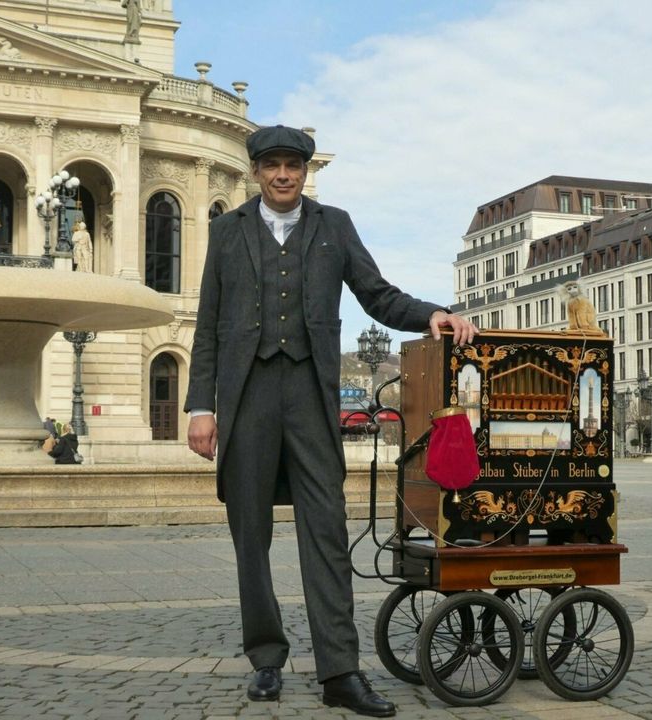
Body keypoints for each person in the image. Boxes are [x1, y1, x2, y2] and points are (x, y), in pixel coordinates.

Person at [185, 125, 477, 717]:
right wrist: (200, 406)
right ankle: (266, 658)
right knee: (251, 537)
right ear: (257, 172)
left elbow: (377, 295)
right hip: (245, 396)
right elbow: (209, 322)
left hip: (310, 397)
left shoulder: (334, 225)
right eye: (273, 166)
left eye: (293, 164)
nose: (284, 175)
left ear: (304, 171)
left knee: (326, 534)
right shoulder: (226, 230)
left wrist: (432, 315)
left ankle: (340, 672)